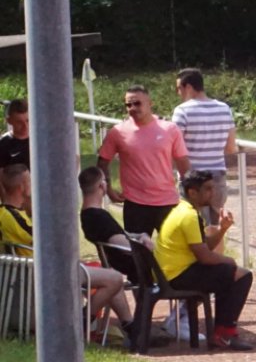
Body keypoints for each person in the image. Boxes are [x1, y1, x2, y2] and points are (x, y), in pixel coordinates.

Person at [0, 165, 135, 339]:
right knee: (114, 278)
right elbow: (48, 238)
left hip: (43, 269)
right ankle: (82, 321)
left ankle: (130, 326)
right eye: (30, 181)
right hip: (44, 273)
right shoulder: (9, 215)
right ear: (22, 187)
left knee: (108, 275)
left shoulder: (16, 213)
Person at [153, 170, 255, 351]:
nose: (212, 193)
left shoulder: (183, 210)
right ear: (192, 192)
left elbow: (204, 246)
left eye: (212, 188)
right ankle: (224, 333)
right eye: (207, 189)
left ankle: (222, 332)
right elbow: (205, 257)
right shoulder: (189, 216)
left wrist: (222, 229)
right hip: (176, 276)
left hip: (172, 272)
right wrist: (229, 261)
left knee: (228, 273)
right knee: (241, 275)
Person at [96, 86, 190, 237]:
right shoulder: (117, 132)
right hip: (135, 205)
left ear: (150, 103)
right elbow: (102, 162)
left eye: (137, 103)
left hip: (167, 202)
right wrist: (109, 190)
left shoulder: (170, 129)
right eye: (128, 105)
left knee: (173, 248)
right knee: (138, 250)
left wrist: (191, 192)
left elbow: (182, 161)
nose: (132, 108)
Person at [170, 68, 237, 208]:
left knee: (191, 220)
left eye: (179, 88)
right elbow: (231, 148)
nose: (178, 93)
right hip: (217, 175)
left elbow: (175, 148)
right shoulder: (224, 108)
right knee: (216, 220)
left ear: (188, 87)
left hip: (193, 177)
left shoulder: (182, 111)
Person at [0, 99, 28, 168]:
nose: (25, 126)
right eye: (19, 122)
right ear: (9, 121)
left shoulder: (42, 140)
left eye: (28, 121)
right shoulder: (3, 145)